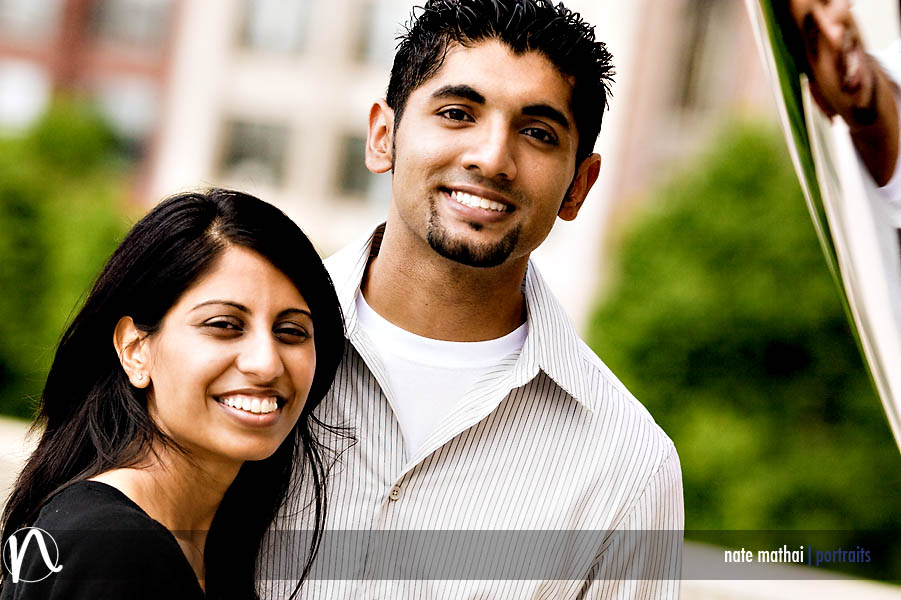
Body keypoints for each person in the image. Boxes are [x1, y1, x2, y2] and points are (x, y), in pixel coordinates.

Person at [262, 1, 683, 598]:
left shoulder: (629, 467)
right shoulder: (227, 360)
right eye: (458, 113)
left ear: (578, 186)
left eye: (538, 132)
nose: (491, 158)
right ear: (384, 137)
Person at [0, 189, 344, 599]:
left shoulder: (202, 546)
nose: (266, 364)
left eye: (291, 332)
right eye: (223, 324)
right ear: (135, 349)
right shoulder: (116, 551)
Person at [776, 0, 901, 215]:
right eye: (813, 35)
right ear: (819, 99)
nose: (833, 35)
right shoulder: (857, 228)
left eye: (826, 1)